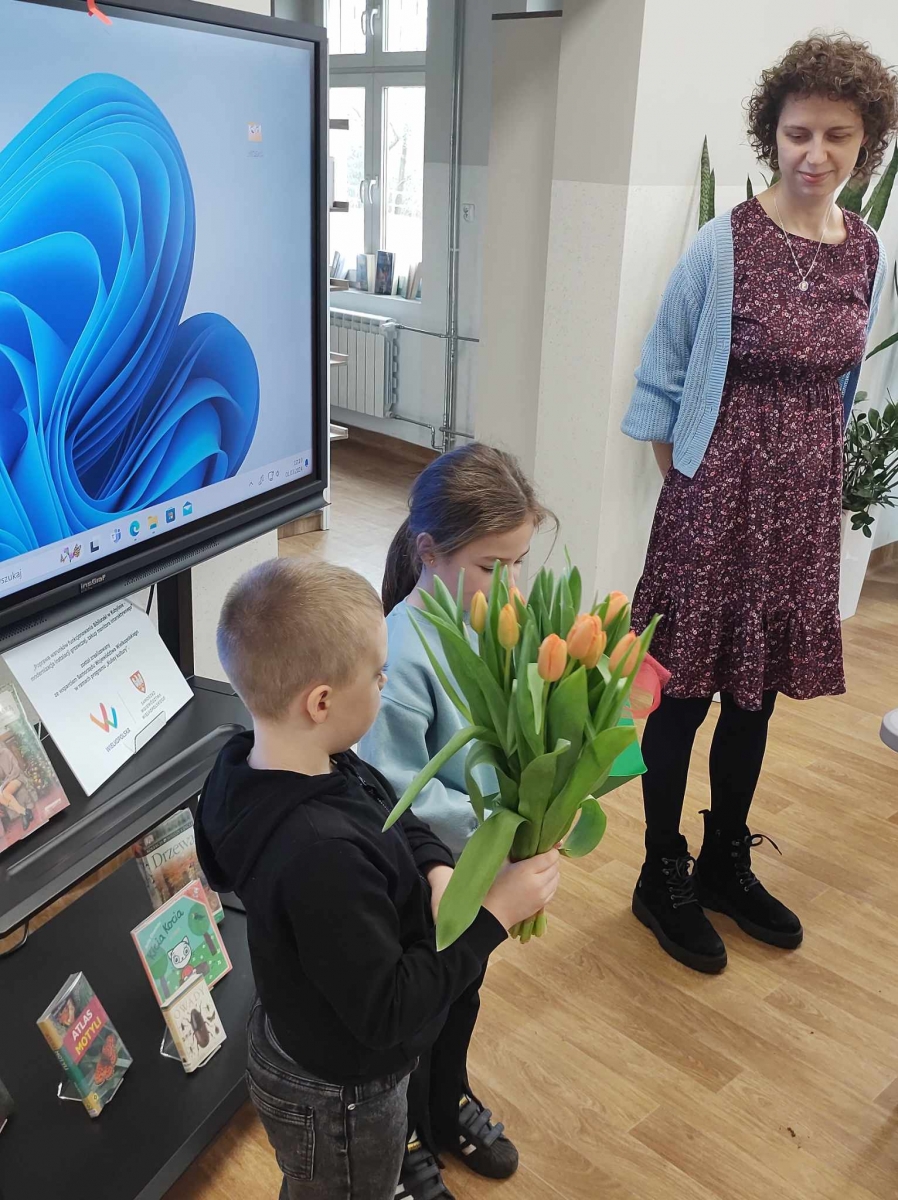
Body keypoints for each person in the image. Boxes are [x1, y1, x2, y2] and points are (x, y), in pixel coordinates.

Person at [622, 33, 898, 975]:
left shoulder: (866, 251)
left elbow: (843, 386)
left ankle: (722, 861)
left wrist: (803, 487)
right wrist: (693, 489)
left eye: (836, 135)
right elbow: (663, 373)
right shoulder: (725, 242)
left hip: (800, 514)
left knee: (756, 699)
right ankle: (659, 872)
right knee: (684, 697)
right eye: (797, 133)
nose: (814, 154)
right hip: (715, 505)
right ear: (771, 135)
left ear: (867, 143)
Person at [194, 558, 560, 1200]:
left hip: (302, 1036)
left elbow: (389, 807)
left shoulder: (271, 762)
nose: (385, 681)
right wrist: (492, 917)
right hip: (342, 1093)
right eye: (377, 673)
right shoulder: (320, 855)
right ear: (322, 702)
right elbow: (389, 1010)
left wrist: (436, 867)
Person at [361, 442, 552, 1198]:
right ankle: (406, 1132)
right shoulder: (401, 650)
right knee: (421, 1017)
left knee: (463, 995)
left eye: (518, 564)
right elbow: (395, 790)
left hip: (477, 871)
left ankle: (447, 1101)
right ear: (429, 552)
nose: (509, 586)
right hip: (424, 881)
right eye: (490, 566)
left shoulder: (486, 625)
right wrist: (500, 824)